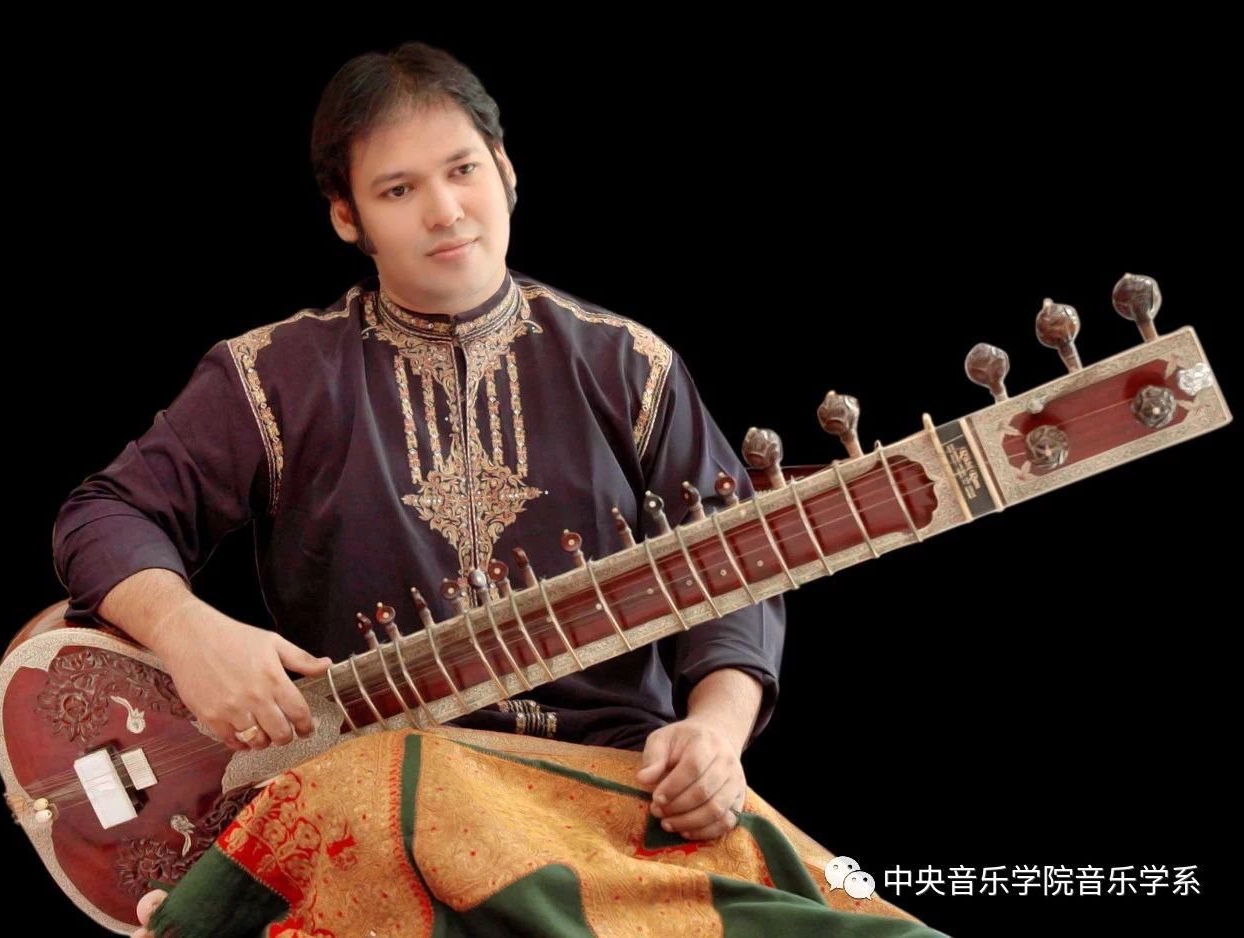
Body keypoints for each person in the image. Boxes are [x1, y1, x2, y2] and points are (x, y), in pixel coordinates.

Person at [54, 42, 946, 937]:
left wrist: (715, 733)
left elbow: (736, 564)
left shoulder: (627, 365)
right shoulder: (277, 377)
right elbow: (104, 514)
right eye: (398, 190)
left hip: (611, 796)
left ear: (507, 170)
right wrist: (187, 630)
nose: (445, 211)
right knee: (394, 794)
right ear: (346, 217)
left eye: (463, 170)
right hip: (381, 793)